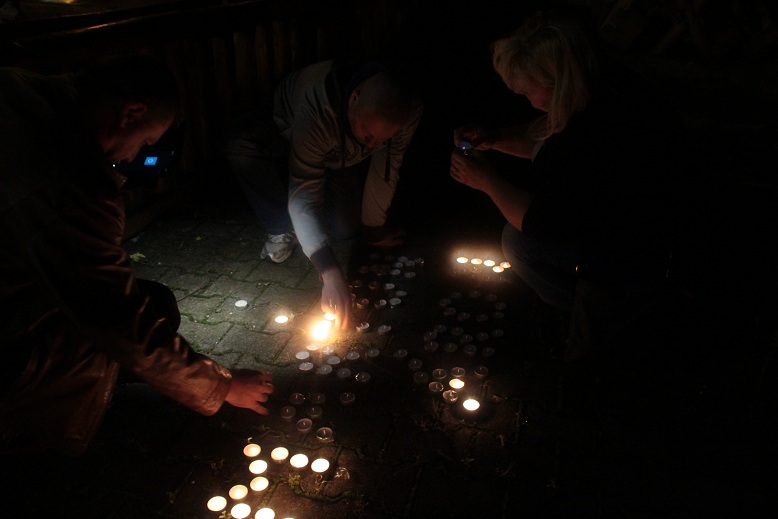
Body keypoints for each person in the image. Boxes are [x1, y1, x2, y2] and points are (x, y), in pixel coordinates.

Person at [0, 54, 274, 456]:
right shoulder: (70, 186)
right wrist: (224, 386)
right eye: (146, 141)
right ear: (132, 113)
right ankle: (34, 445)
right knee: (102, 338)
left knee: (156, 304)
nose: (133, 158)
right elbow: (117, 319)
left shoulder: (18, 87)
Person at [449, 10, 682, 362]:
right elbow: (546, 142)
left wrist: (486, 181)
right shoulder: (603, 87)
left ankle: (599, 326)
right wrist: (495, 139)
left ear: (557, 83)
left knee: (590, 357)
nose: (526, 99)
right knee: (516, 241)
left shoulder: (595, 135)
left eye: (529, 91)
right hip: (635, 227)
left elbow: (545, 222)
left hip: (634, 252)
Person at [224, 57, 423, 331]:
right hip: (286, 128)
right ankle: (281, 227)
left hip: (337, 154)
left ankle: (318, 196)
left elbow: (387, 166)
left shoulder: (404, 112)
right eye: (367, 133)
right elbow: (303, 190)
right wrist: (329, 271)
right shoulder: (317, 107)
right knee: (241, 148)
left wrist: (374, 230)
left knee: (345, 228)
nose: (372, 145)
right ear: (353, 99)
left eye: (382, 139)